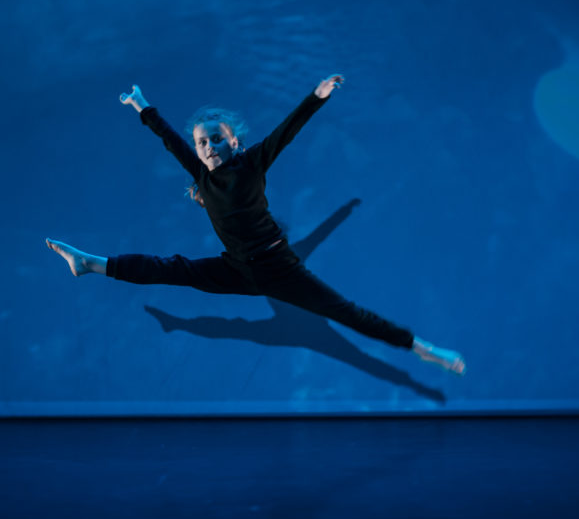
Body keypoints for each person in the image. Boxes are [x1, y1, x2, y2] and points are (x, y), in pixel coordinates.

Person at [46, 75, 466, 375]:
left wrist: (316, 97)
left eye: (216, 138)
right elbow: (170, 139)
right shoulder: (201, 176)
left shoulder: (251, 164)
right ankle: (90, 264)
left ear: (234, 141)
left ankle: (421, 347)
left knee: (347, 314)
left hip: (279, 269)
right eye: (202, 142)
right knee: (171, 268)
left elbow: (286, 132)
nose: (208, 146)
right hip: (236, 268)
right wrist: (141, 105)